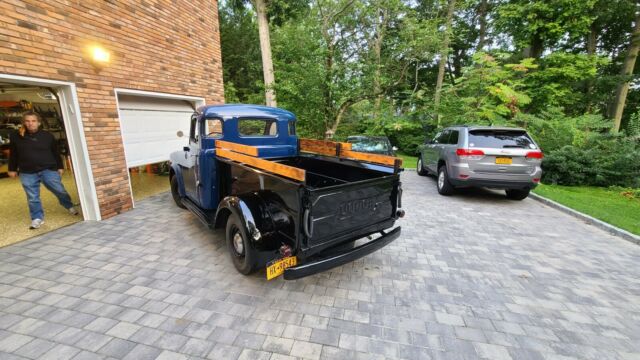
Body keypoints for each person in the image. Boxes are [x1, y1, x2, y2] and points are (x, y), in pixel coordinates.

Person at [8, 111, 79, 229]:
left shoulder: (47, 136)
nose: (30, 123)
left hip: (48, 169)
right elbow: (13, 154)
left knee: (59, 190)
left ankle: (69, 205)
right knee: (32, 197)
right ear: (23, 123)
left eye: (33, 121)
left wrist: (60, 167)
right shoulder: (16, 136)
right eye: (27, 121)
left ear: (39, 122)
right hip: (27, 171)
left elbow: (55, 153)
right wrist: (12, 168)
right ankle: (37, 218)